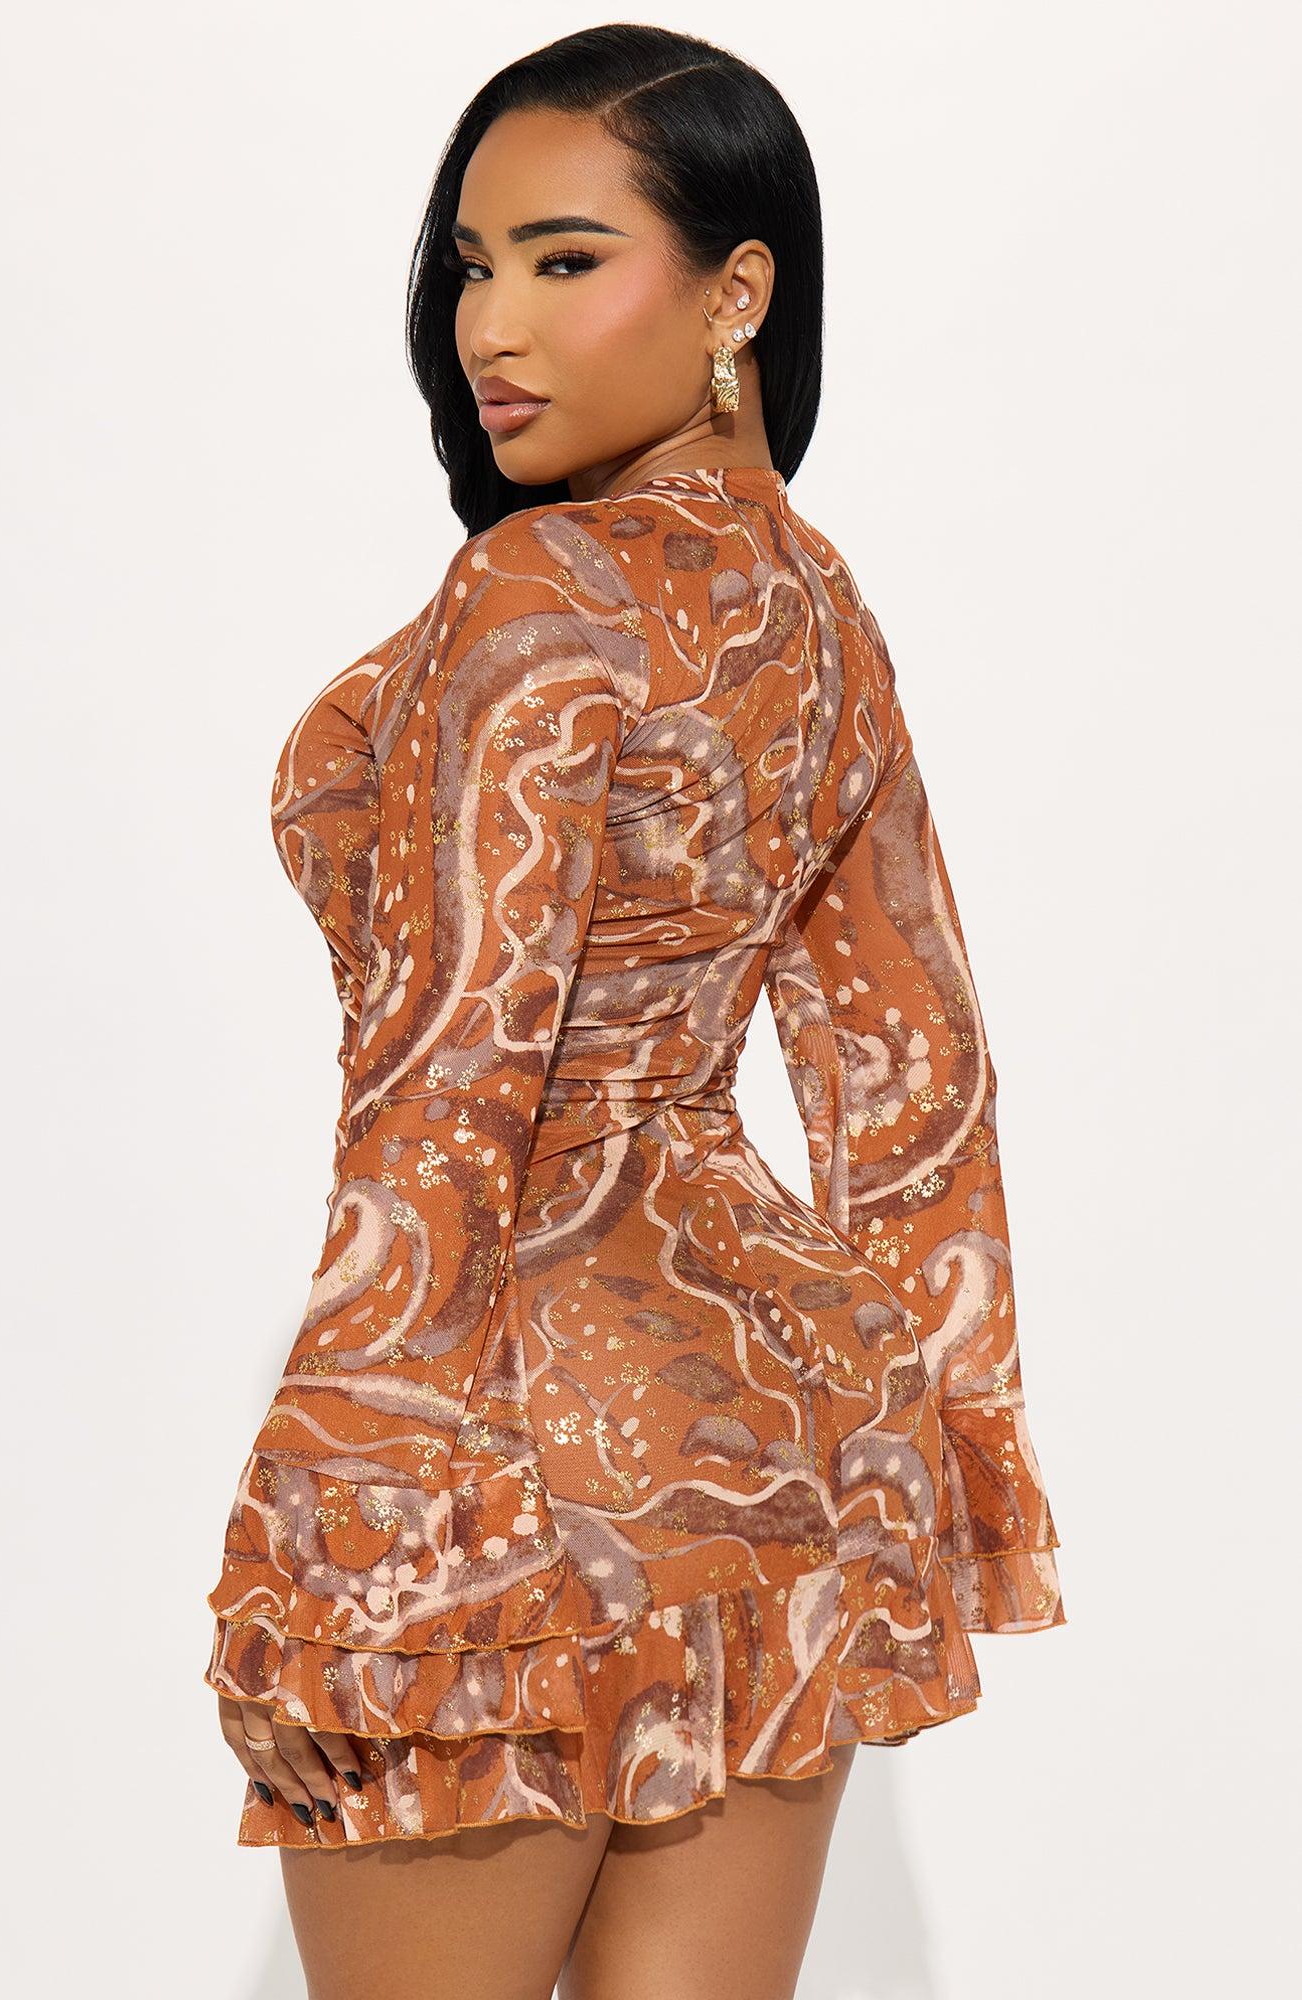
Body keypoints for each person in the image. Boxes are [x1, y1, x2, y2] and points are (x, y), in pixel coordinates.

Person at [202, 23, 1065, 2000]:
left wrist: (330, 1501)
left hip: (504, 1440)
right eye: (471, 265)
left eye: (565, 259)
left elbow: (447, 1089)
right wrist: (948, 1438)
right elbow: (912, 1068)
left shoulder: (535, 594)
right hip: (793, 1434)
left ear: (735, 288)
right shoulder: (821, 606)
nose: (490, 326)